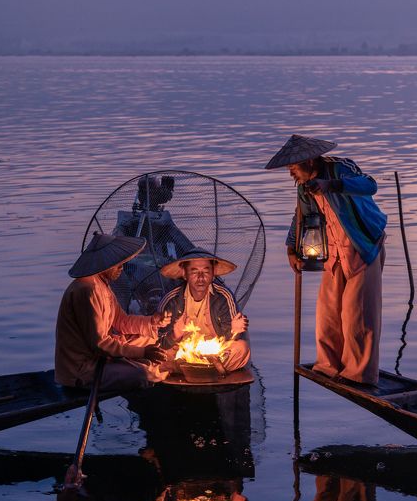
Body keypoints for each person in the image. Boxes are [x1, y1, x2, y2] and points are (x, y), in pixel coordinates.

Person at [266, 134, 387, 385]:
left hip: (362, 248)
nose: (291, 174)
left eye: (293, 167)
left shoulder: (340, 168)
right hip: (334, 255)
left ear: (309, 161)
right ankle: (329, 366)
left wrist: (331, 185)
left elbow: (369, 185)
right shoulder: (304, 188)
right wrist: (291, 248)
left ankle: (359, 374)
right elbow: (299, 217)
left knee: (358, 316)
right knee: (327, 314)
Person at [55, 232, 171, 391]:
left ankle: (148, 363)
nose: (121, 270)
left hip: (101, 356)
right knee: (143, 374)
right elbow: (100, 344)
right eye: (119, 265)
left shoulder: (102, 284)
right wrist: (142, 353)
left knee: (148, 338)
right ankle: (164, 372)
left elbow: (121, 321)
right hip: (83, 369)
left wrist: (152, 321)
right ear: (106, 264)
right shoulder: (88, 290)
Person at [156, 250, 251, 372]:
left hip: (215, 355)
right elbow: (159, 340)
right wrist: (174, 334)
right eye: (194, 272)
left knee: (241, 348)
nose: (200, 277)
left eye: (206, 272)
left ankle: (191, 370)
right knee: (159, 353)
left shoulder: (223, 296)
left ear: (212, 274)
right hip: (183, 352)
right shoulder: (171, 299)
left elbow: (228, 340)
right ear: (185, 274)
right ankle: (205, 371)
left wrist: (234, 330)